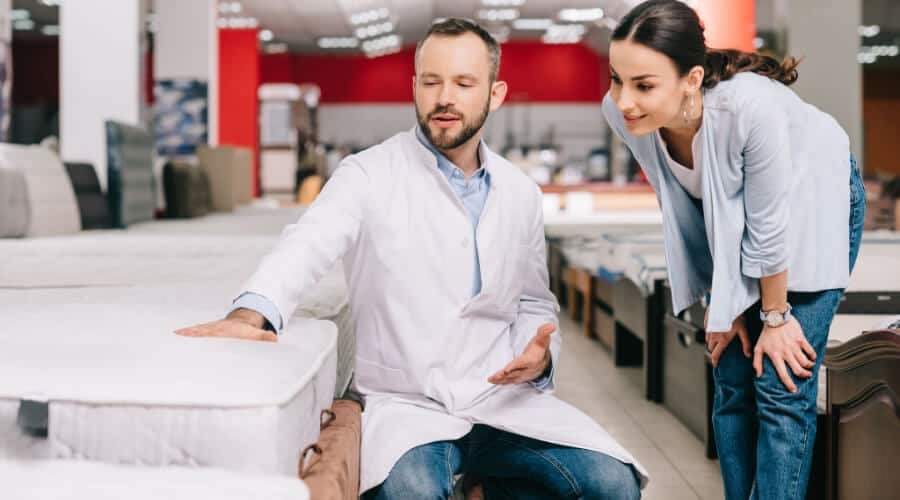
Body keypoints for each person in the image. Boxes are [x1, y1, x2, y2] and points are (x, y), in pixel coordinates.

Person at [177, 18, 646, 500]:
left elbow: (534, 302)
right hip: (407, 404)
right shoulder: (368, 173)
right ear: (415, 88)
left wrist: (540, 355)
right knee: (411, 494)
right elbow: (308, 242)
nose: (446, 97)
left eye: (464, 83)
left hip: (502, 401)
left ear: (496, 93)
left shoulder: (520, 193)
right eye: (431, 82)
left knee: (613, 484)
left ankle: (489, 483)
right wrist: (250, 313)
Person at [600, 1, 866, 499]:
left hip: (814, 203)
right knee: (732, 376)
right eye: (617, 79)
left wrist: (774, 315)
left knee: (779, 382)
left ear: (691, 78)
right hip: (749, 225)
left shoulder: (749, 109)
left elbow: (769, 224)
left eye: (643, 84)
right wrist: (722, 304)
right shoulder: (621, 115)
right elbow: (685, 208)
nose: (624, 100)